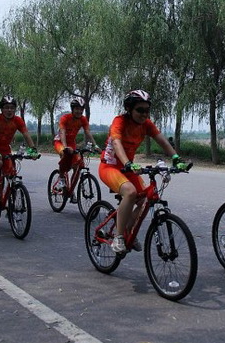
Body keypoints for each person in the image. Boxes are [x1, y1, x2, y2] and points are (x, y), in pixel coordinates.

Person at [99, 90, 187, 253]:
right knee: (130, 192)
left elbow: (162, 140)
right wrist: (127, 163)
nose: (144, 114)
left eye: (147, 110)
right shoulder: (119, 121)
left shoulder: (146, 124)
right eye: (140, 110)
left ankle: (128, 230)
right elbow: (117, 143)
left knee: (146, 199)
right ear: (129, 109)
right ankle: (118, 237)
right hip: (110, 167)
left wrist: (176, 158)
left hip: (128, 168)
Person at [0, 95, 39, 196]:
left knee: (11, 172)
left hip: (6, 149)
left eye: (12, 108)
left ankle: (10, 194)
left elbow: (26, 134)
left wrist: (33, 149)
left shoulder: (18, 120)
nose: (9, 110)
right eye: (6, 107)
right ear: (2, 109)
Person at [53, 97, 100, 191]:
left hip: (72, 143)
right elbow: (62, 132)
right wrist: (65, 147)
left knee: (77, 165)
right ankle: (61, 177)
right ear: (72, 109)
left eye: (81, 109)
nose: (79, 111)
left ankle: (70, 190)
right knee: (64, 153)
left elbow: (87, 132)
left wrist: (95, 145)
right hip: (60, 141)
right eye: (77, 109)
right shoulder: (65, 118)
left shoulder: (83, 119)